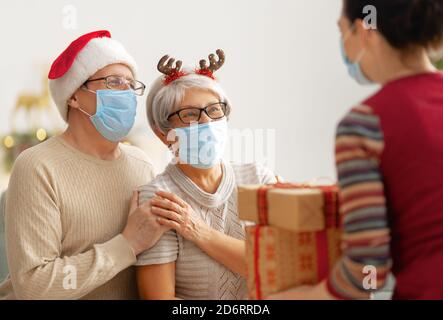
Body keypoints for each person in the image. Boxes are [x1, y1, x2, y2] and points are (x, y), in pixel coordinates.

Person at [269, 0, 443, 300]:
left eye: (342, 31)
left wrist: (298, 297)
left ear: (364, 30)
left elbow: (368, 271)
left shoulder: (364, 124)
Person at [0, 30, 166, 299]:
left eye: (131, 84)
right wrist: (126, 245)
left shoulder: (141, 165)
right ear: (74, 96)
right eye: (114, 82)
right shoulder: (37, 166)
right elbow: (34, 286)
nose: (126, 93)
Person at [135, 51, 277, 300]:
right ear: (163, 134)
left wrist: (198, 231)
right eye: (189, 115)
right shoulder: (160, 198)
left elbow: (277, 269)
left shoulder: (259, 179)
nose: (206, 122)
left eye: (214, 110)